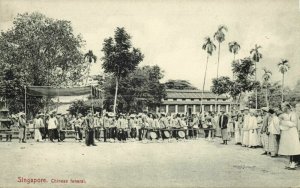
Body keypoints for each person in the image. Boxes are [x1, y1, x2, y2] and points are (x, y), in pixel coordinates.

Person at [278, 103, 300, 170]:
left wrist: (284, 122)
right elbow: (281, 124)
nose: (282, 109)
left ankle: (293, 163)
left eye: (283, 107)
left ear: (287, 107)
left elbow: (294, 124)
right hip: (287, 133)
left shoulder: (293, 114)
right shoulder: (284, 115)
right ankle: (290, 163)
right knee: (289, 147)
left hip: (292, 132)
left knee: (293, 147)